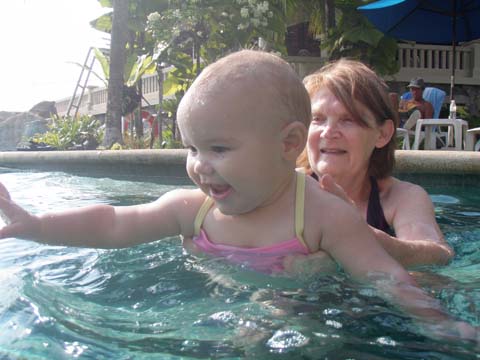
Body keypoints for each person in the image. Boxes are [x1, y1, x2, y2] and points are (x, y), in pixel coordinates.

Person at [0, 51, 476, 342]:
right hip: (214, 308)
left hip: (313, 319)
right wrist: (38, 227)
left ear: (285, 145)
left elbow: (388, 278)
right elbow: (115, 222)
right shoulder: (195, 208)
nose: (199, 164)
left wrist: (443, 327)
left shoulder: (322, 216)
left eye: (219, 148)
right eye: (191, 147)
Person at [297, 59, 453, 268]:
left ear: (383, 134)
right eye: (317, 118)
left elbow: (438, 254)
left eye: (348, 119)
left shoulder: (400, 197)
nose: (328, 132)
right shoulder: (285, 192)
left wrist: (361, 234)